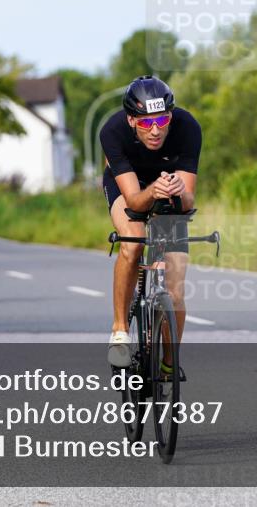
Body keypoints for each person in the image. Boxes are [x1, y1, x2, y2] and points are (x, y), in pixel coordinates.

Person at [99, 75, 201, 369]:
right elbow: (133, 201)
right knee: (132, 244)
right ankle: (119, 331)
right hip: (129, 186)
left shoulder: (187, 127)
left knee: (176, 289)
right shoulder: (113, 131)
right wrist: (152, 190)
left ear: (171, 116)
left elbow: (189, 200)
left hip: (169, 187)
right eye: (145, 123)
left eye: (162, 120)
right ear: (131, 120)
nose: (155, 130)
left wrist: (179, 193)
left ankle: (169, 365)